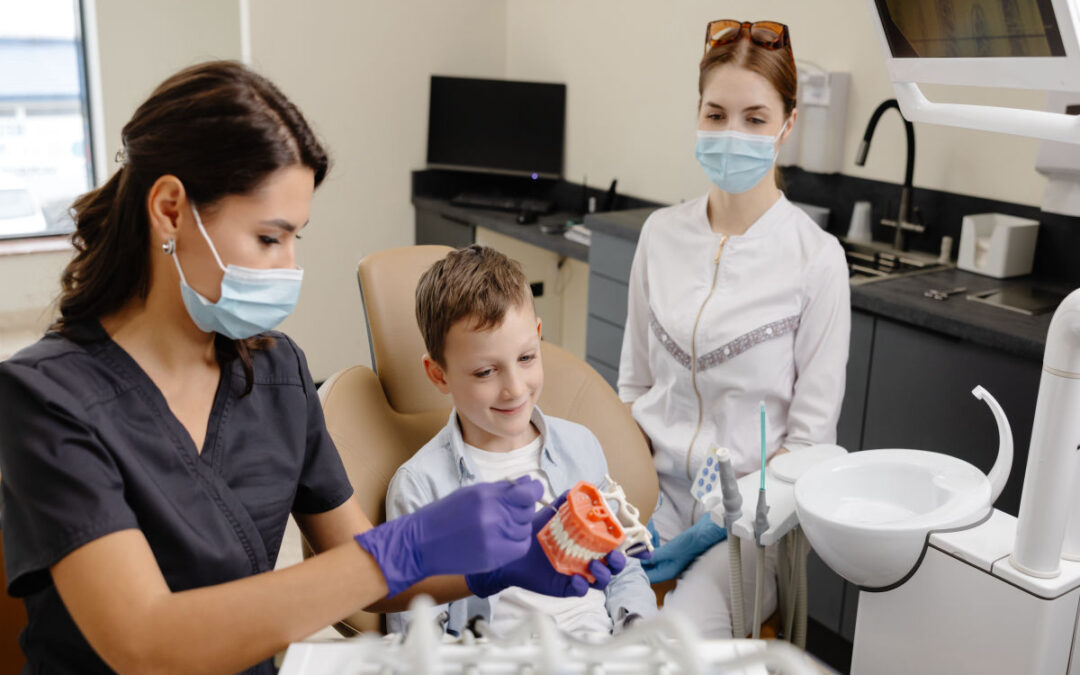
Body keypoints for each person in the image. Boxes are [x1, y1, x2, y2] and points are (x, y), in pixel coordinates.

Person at [0, 62, 621, 674]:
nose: (288, 265)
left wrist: (487, 570)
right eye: (269, 238)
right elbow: (145, 642)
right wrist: (407, 542)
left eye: (297, 237)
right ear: (169, 210)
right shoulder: (48, 397)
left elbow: (365, 581)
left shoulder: (275, 376)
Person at [618, 20, 850, 638]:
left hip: (747, 528)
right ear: (696, 113)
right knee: (577, 620)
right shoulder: (660, 236)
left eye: (754, 118)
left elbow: (809, 447)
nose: (731, 133)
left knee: (670, 646)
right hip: (649, 500)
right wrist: (617, 497)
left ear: (787, 125)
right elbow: (632, 390)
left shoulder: (816, 261)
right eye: (716, 114)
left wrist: (720, 519)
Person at [385, 245, 657, 638]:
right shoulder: (420, 487)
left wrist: (637, 629)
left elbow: (623, 570)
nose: (514, 389)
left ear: (539, 336)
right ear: (439, 374)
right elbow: (419, 633)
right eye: (484, 372)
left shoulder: (580, 447)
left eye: (527, 358)